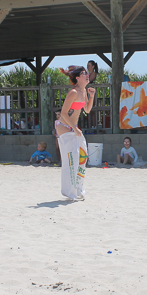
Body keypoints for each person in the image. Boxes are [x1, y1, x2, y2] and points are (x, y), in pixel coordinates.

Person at [56, 66, 95, 199]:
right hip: (64, 127)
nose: (87, 75)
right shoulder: (73, 92)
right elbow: (63, 113)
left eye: (87, 73)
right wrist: (74, 127)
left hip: (74, 129)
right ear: (77, 78)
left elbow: (87, 110)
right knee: (71, 161)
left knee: (83, 158)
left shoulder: (83, 92)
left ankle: (78, 189)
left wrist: (91, 96)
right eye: (84, 73)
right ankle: (70, 192)